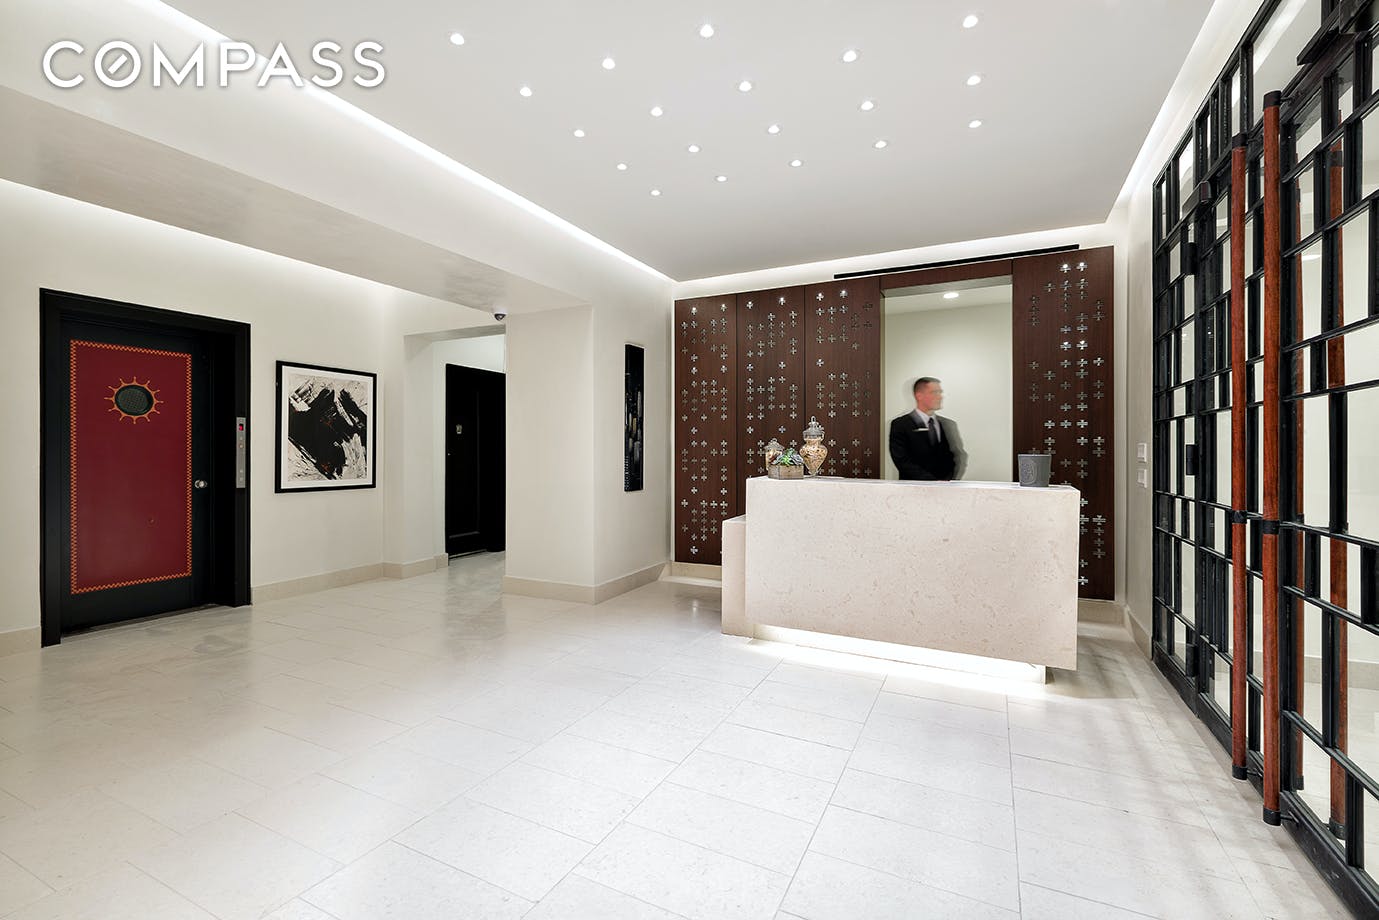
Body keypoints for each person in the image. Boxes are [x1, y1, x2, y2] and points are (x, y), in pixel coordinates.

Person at [889, 376, 967, 481]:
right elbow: (902, 460)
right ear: (919, 396)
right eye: (934, 392)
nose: (940, 397)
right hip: (913, 487)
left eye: (940, 392)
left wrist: (948, 481)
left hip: (946, 487)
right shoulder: (900, 425)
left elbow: (959, 456)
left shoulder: (948, 424)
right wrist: (932, 483)